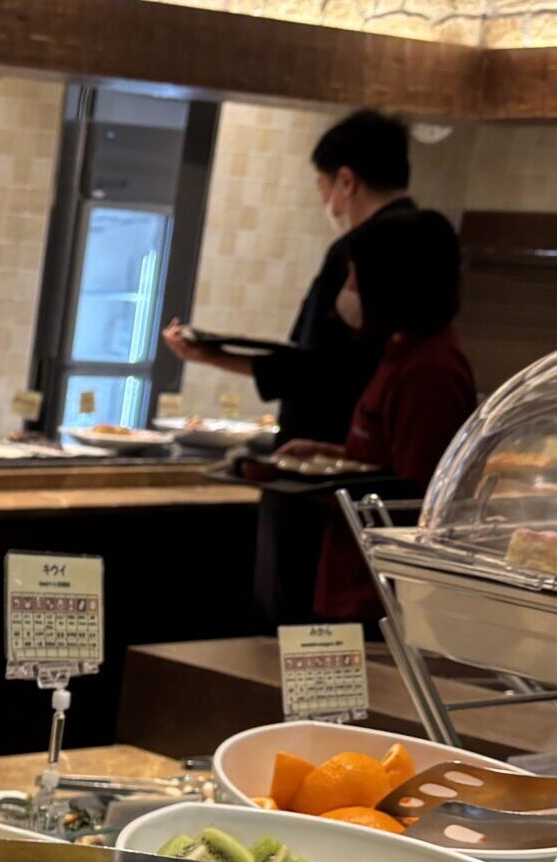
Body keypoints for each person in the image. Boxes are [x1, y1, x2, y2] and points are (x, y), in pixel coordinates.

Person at [164, 107, 416, 624]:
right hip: (362, 472)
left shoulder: (361, 249)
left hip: (319, 481)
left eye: (323, 185)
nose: (325, 200)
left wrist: (208, 354)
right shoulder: (414, 243)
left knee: (296, 620)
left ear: (346, 181)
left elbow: (316, 366)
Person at [276, 206, 477, 621]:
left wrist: (322, 485)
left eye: (355, 278)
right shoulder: (399, 352)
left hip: (378, 598)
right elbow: (384, 457)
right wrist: (329, 456)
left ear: (389, 282)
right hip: (352, 579)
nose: (348, 290)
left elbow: (414, 497)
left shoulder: (430, 372)